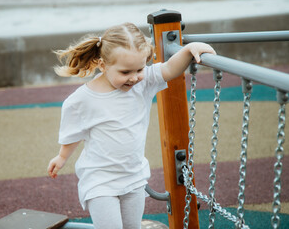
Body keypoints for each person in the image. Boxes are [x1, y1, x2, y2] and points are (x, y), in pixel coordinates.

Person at [47, 22, 216, 229]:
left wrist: (190, 49)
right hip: (100, 181)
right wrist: (62, 157)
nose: (134, 77)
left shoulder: (142, 84)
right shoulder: (81, 100)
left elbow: (170, 69)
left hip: (134, 177)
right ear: (102, 65)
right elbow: (75, 133)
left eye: (139, 69)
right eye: (125, 72)